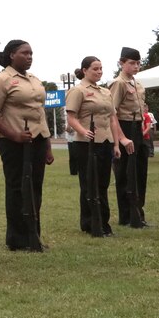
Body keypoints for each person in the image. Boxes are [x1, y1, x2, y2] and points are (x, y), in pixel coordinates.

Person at [0, 40, 54, 252]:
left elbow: (40, 112)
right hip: (13, 141)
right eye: (25, 53)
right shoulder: (2, 80)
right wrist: (13, 135)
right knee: (17, 188)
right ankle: (16, 238)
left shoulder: (34, 79)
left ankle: (33, 234)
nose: (30, 57)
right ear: (12, 55)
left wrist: (48, 144)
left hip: (37, 139)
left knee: (35, 187)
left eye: (31, 53)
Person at [65, 56, 121, 236]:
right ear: (84, 70)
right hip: (86, 144)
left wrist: (116, 144)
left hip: (105, 141)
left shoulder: (105, 92)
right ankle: (90, 222)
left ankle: (103, 221)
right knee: (89, 183)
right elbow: (71, 117)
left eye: (101, 68)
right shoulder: (78, 90)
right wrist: (83, 130)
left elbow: (112, 118)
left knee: (103, 183)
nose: (99, 72)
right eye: (95, 69)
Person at [110, 47, 149, 227]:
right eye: (132, 63)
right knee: (126, 173)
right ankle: (127, 216)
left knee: (140, 173)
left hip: (137, 127)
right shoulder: (119, 83)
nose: (136, 66)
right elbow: (112, 113)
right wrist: (122, 138)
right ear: (121, 63)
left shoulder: (137, 83)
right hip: (124, 126)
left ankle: (138, 213)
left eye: (138, 63)